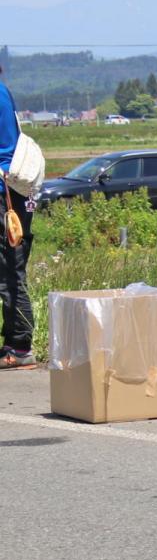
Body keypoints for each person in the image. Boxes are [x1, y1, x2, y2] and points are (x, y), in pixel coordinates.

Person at [0, 66, 36, 368]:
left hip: (5, 194)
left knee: (10, 270)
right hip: (12, 191)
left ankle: (20, 346)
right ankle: (14, 342)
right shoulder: (3, 92)